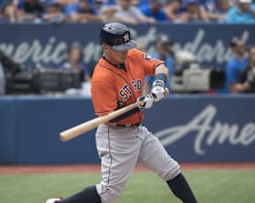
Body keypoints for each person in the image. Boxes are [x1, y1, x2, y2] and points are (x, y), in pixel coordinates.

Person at [45, 22, 198, 203]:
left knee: (171, 169)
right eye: (120, 48)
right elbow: (109, 119)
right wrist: (140, 105)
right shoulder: (101, 77)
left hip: (138, 131)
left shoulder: (132, 55)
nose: (125, 51)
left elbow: (160, 66)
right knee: (109, 191)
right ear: (105, 47)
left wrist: (159, 83)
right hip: (116, 136)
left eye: (127, 46)